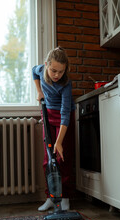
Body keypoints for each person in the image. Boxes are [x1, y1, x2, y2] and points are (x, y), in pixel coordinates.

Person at [32, 47, 76, 211]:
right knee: (48, 158)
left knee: (62, 157)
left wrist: (59, 142)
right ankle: (51, 196)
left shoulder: (66, 84)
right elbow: (33, 72)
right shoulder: (41, 70)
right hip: (48, 115)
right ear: (46, 65)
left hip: (64, 119)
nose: (57, 75)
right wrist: (39, 91)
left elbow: (65, 113)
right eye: (53, 70)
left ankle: (64, 197)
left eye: (61, 71)